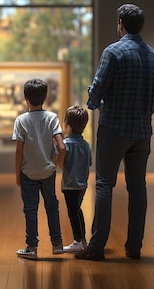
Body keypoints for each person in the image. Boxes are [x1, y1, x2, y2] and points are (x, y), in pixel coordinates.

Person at [75, 3, 154, 261]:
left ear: (121, 24)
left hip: (114, 128)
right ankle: (134, 247)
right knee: (138, 188)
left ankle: (97, 246)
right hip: (142, 132)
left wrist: (95, 104)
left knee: (104, 185)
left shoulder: (113, 52)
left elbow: (97, 90)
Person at [13, 78, 66, 259]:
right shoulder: (52, 118)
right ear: (45, 97)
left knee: (30, 210)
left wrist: (17, 174)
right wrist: (59, 163)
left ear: (25, 98)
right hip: (48, 171)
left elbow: (19, 150)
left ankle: (32, 248)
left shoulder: (21, 121)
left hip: (28, 172)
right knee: (52, 207)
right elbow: (62, 146)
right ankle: (57, 244)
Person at [60, 106, 92, 252]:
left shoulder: (65, 145)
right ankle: (83, 240)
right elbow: (89, 163)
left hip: (69, 185)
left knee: (72, 212)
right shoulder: (86, 145)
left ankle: (77, 240)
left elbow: (60, 162)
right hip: (82, 185)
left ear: (67, 124)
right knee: (77, 210)